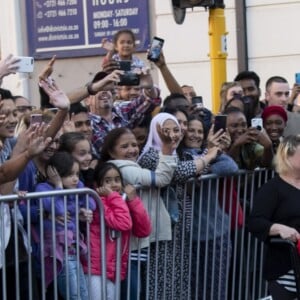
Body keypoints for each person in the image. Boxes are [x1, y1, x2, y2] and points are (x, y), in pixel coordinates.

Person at [100, 122, 179, 299]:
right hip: (130, 243)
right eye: (125, 146)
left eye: (134, 145)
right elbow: (161, 178)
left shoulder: (129, 166)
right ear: (112, 152)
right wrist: (167, 149)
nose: (132, 150)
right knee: (132, 290)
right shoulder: (122, 168)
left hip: (137, 239)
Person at [83, 162, 151, 300]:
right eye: (107, 181)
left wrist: (133, 201)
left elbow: (144, 230)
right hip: (95, 267)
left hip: (113, 267)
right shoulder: (97, 202)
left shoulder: (120, 202)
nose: (114, 184)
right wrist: (113, 197)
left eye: (117, 179)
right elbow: (123, 223)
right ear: (97, 185)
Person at [34, 151, 96, 300]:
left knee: (83, 293)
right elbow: (58, 209)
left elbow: (92, 204)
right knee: (73, 294)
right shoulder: (43, 188)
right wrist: (58, 186)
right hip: (59, 252)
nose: (75, 179)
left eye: (76, 174)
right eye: (70, 175)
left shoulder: (75, 189)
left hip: (73, 250)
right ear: (54, 175)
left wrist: (81, 197)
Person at [249, 135, 300, 300]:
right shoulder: (272, 188)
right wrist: (279, 228)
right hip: (287, 267)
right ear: (287, 156)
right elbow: (255, 222)